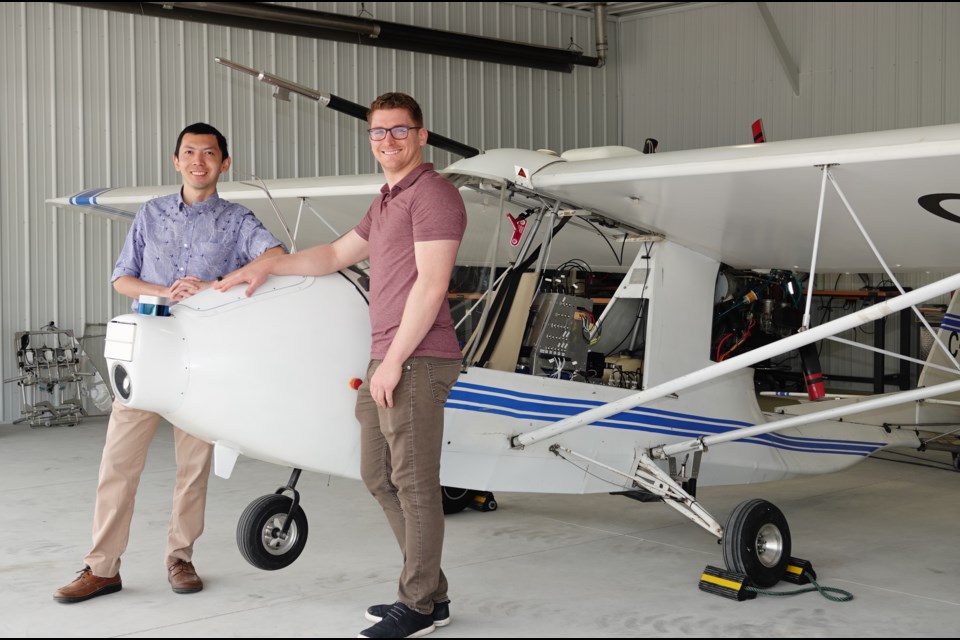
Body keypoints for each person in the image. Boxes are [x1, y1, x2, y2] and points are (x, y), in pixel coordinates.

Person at [216, 92, 466, 638]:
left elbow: (432, 284)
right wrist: (265, 267)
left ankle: (418, 604)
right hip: (387, 356)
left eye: (400, 131)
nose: (389, 141)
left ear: (422, 136)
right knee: (378, 476)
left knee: (415, 484)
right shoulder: (386, 201)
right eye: (379, 132)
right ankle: (432, 593)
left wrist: (394, 360)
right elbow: (331, 256)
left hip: (418, 357)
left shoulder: (435, 195)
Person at [53, 123, 285, 604]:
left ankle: (180, 558)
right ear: (176, 161)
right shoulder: (151, 214)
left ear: (225, 163)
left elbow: (276, 257)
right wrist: (165, 289)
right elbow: (122, 279)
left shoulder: (239, 220)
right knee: (118, 465)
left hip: (202, 361)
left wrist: (214, 284)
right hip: (148, 355)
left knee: (192, 468)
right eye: (189, 152)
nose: (199, 160)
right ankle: (101, 568)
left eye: (209, 153)